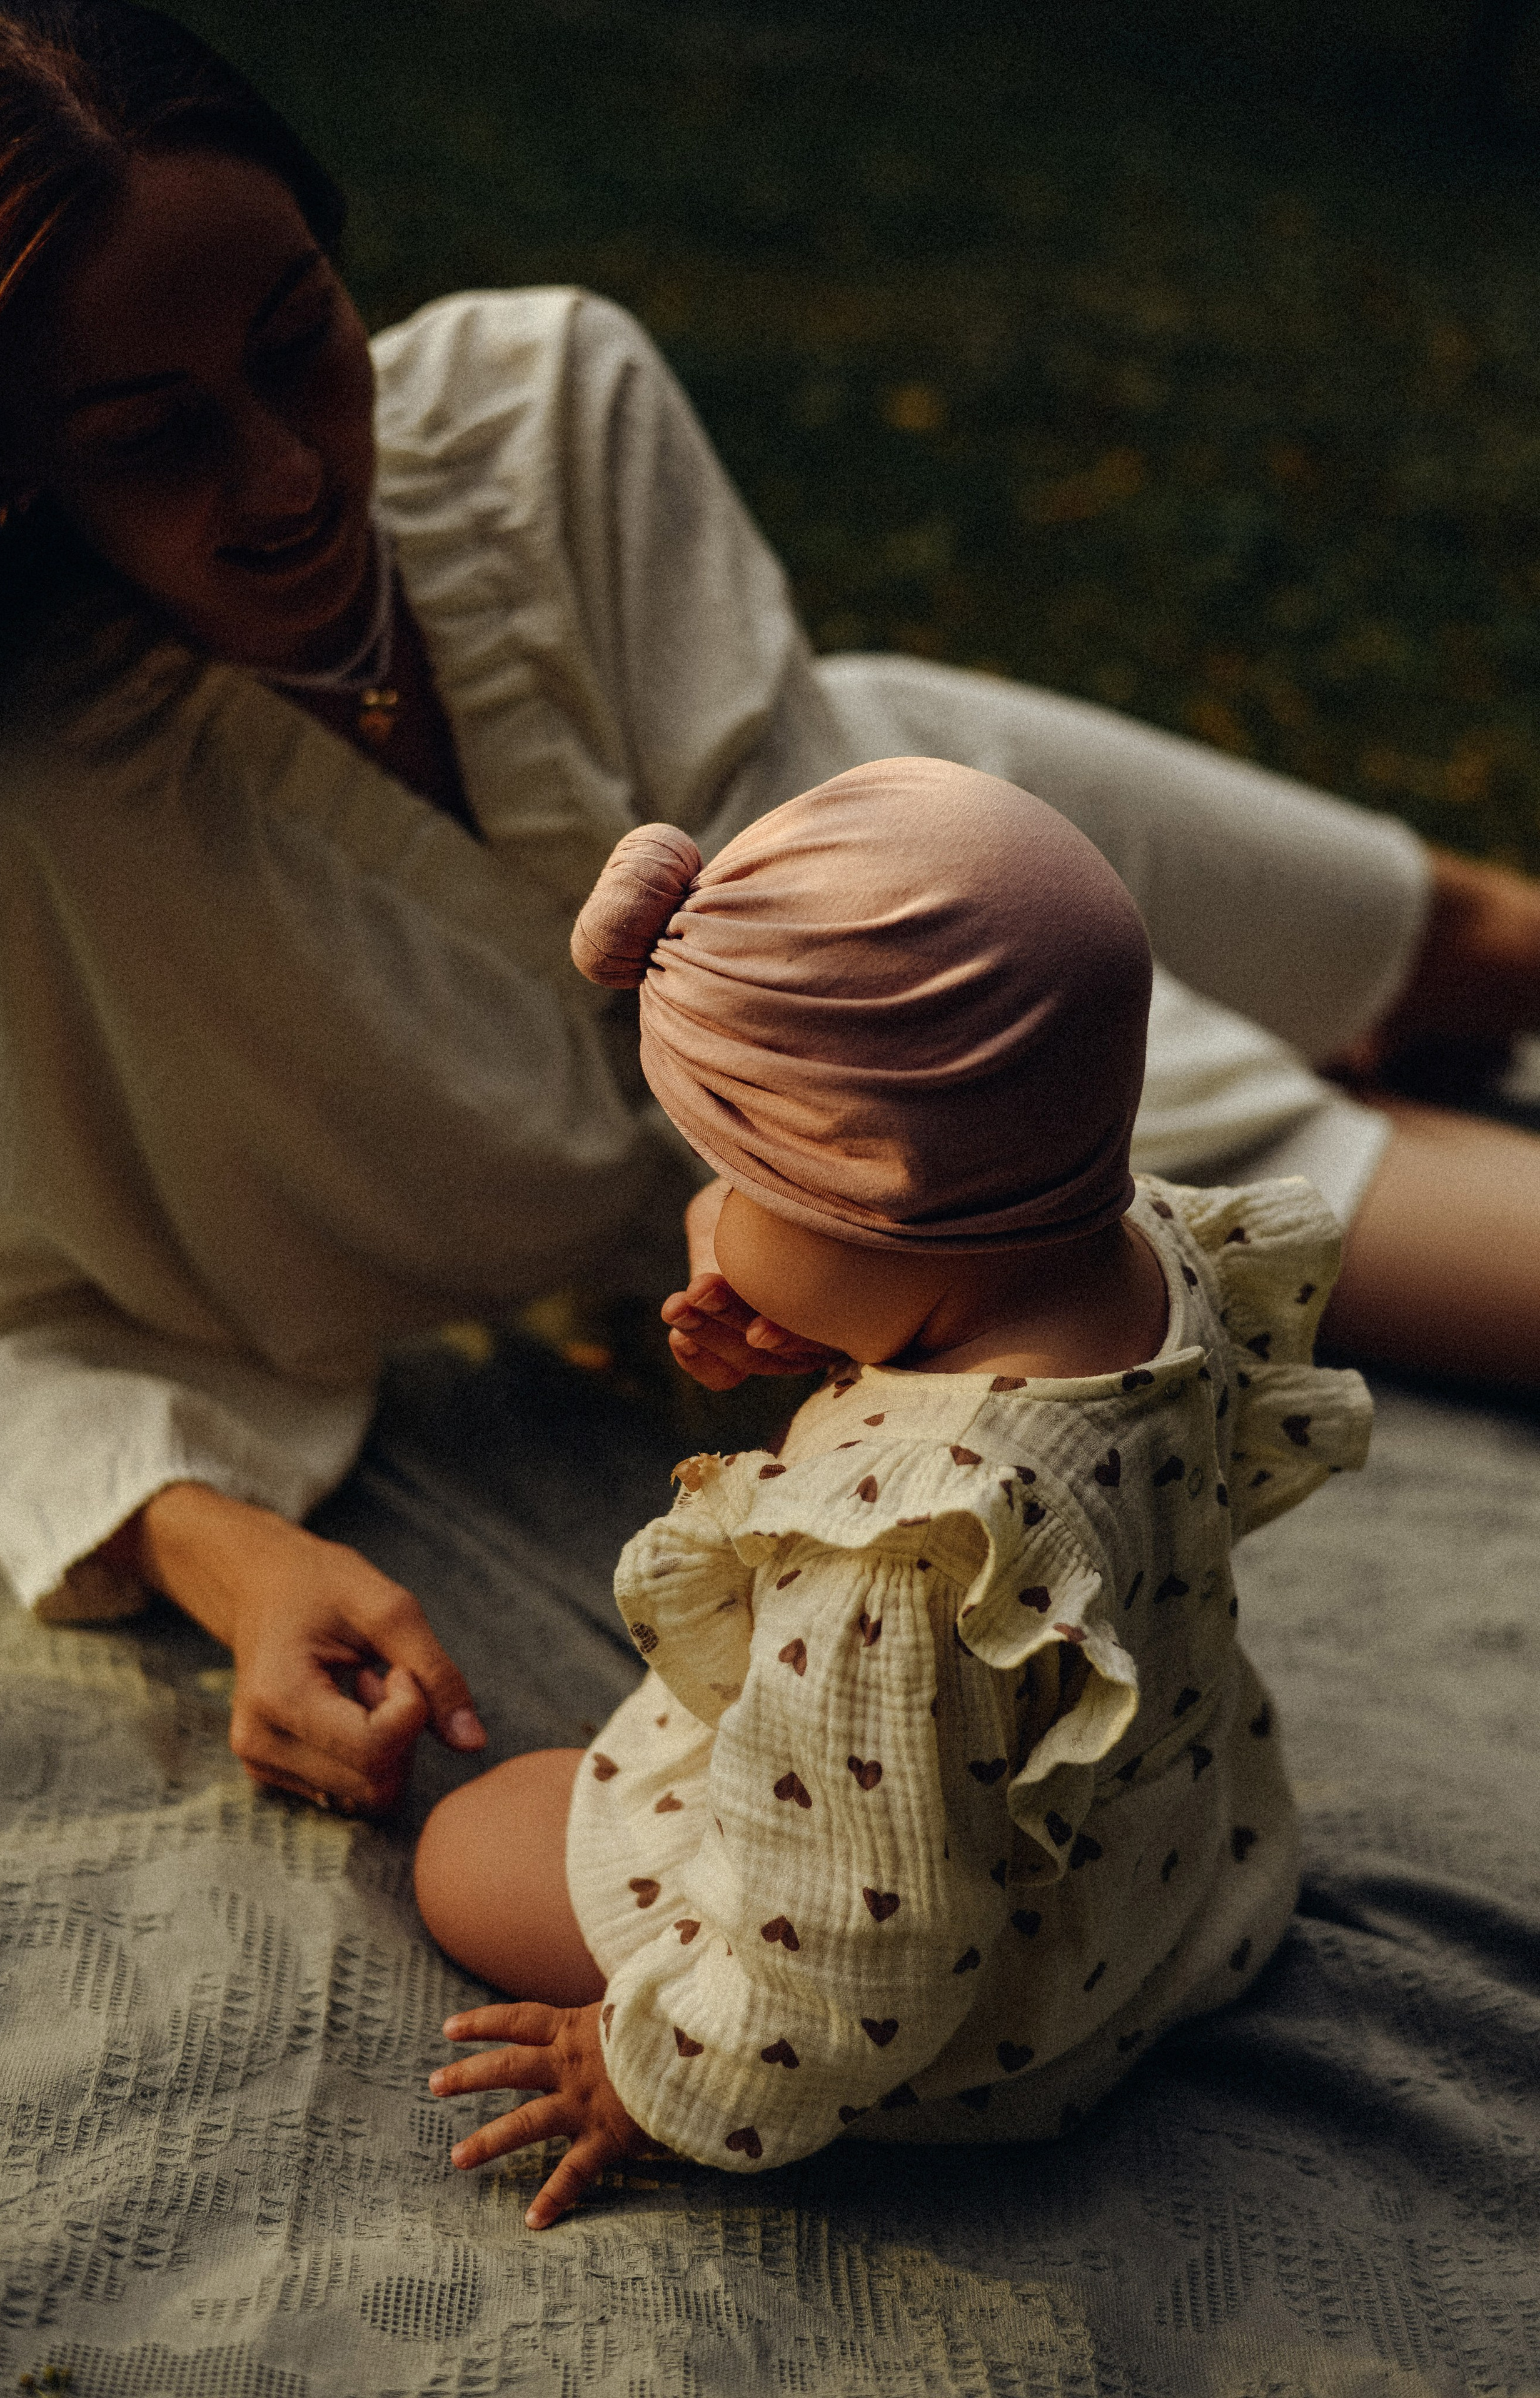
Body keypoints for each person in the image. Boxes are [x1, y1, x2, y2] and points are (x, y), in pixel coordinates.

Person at [0, 0, 1536, 1816]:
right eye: (155, 437)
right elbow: (2, 1307)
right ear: (13, 465)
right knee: (1383, 1196)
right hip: (952, 1169)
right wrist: (238, 1572)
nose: (288, 474)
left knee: (1482, 944)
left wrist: (780, 1213)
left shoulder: (552, 403)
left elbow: (855, 933)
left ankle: (1386, 1010)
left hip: (945, 915)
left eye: (302, 339)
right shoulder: (46, 828)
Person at [414, 760, 1371, 2226]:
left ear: (885, 1189)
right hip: (1169, 1881)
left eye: (736, 1180)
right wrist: (821, 1314)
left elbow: (864, 1943)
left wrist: (659, 2080)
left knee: (464, 1850)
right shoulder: (1151, 1257)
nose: (710, 1224)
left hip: (970, 2023)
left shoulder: (906, 1556)